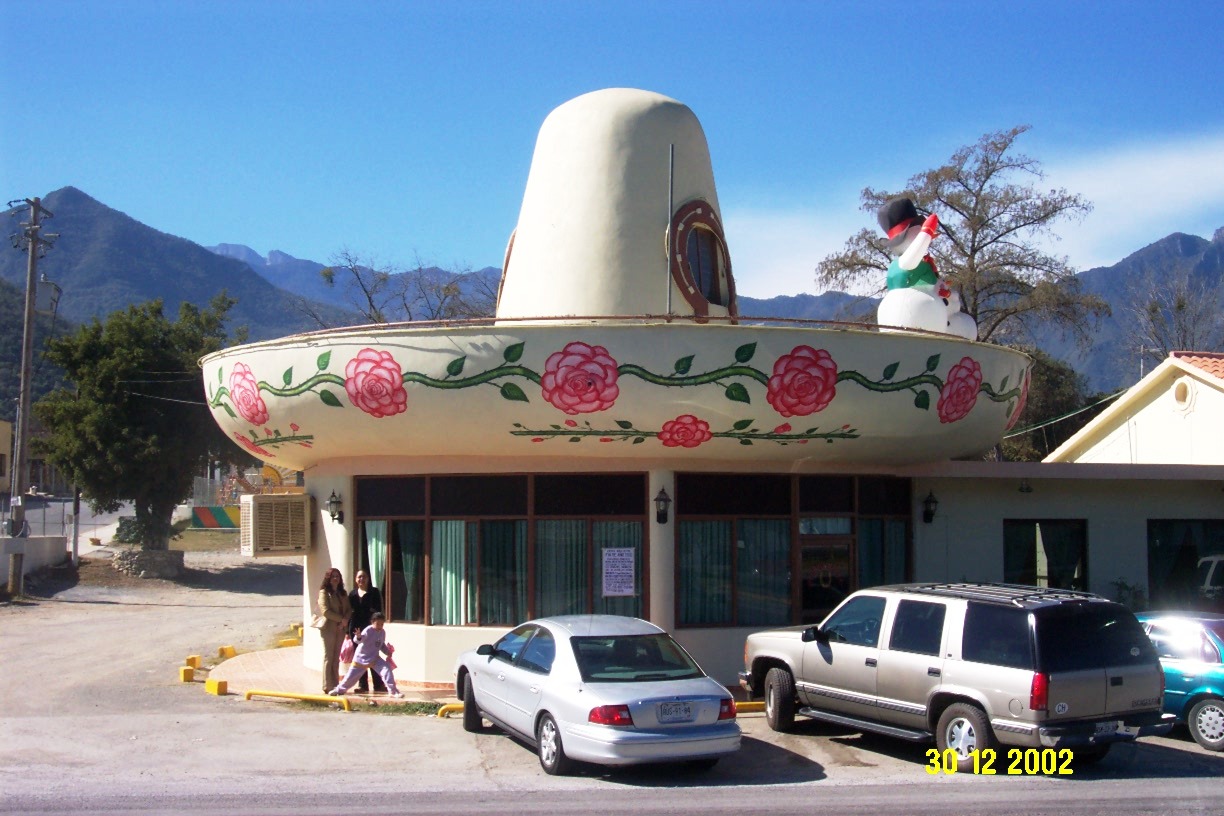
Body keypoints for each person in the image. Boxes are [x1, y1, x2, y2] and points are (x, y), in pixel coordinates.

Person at [328, 613, 404, 698]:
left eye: (381, 624)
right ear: (372, 622)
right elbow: (359, 640)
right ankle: (338, 690)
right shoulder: (368, 630)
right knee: (350, 678)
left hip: (374, 658)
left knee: (386, 670)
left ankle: (393, 691)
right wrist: (359, 636)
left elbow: (381, 645)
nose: (379, 626)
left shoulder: (382, 632)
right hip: (361, 659)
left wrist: (387, 652)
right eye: (377, 624)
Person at [348, 570, 386, 692]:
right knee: (359, 658)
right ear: (355, 579)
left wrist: (378, 627)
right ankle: (362, 685)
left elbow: (379, 612)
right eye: (359, 577)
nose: (361, 579)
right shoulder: (352, 594)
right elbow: (349, 613)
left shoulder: (374, 592)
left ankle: (378, 684)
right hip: (356, 631)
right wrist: (346, 633)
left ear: (368, 579)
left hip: (371, 631)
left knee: (373, 656)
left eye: (364, 577)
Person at [316, 568, 352, 694]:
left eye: (337, 576)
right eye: (333, 577)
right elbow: (325, 611)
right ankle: (327, 685)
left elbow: (348, 609)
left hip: (341, 629)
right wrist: (341, 619)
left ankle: (336, 684)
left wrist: (345, 620)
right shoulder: (324, 592)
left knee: (336, 657)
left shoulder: (342, 593)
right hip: (329, 628)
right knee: (328, 656)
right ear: (328, 578)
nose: (335, 579)